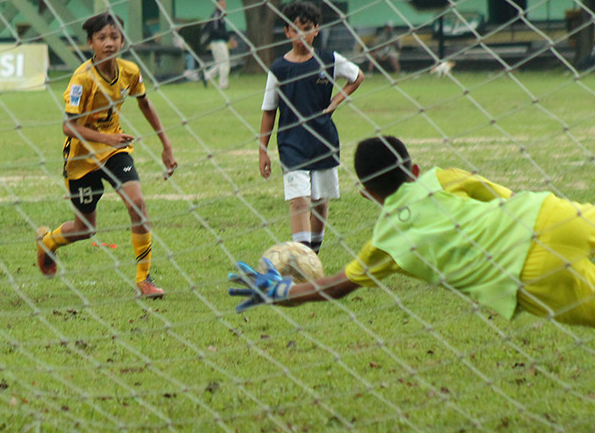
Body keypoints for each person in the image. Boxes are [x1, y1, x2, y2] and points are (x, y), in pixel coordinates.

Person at [230, 135, 595, 328]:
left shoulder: (388, 240)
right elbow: (503, 195)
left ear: (368, 194)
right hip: (550, 214)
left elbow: (337, 286)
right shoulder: (442, 178)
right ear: (414, 169)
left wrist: (282, 292)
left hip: (525, 270)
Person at [36, 12, 178, 299]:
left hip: (115, 151)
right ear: (90, 43)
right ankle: (48, 241)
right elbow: (69, 126)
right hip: (81, 160)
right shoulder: (81, 78)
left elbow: (146, 104)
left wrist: (166, 145)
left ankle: (144, 279)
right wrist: (106, 138)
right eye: (102, 38)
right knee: (86, 228)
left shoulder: (129, 71)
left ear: (122, 40)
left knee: (137, 203)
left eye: (114, 37)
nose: (109, 43)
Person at [258, 0, 365, 255]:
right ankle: (302, 256)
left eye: (306, 28)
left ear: (316, 29)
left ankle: (312, 254)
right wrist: (262, 150)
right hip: (291, 144)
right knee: (298, 200)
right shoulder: (279, 69)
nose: (300, 35)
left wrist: (336, 100)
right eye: (294, 30)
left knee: (320, 200)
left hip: (323, 141)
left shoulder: (329, 60)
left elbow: (357, 76)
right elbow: (269, 110)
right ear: (286, 32)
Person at [201, 0, 236, 89]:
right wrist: (227, 37)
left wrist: (229, 39)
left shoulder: (222, 16)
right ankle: (223, 84)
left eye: (224, 4)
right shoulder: (216, 16)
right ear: (216, 4)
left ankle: (206, 76)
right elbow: (215, 30)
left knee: (220, 63)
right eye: (221, 4)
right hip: (217, 42)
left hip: (220, 42)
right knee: (224, 63)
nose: (224, 6)